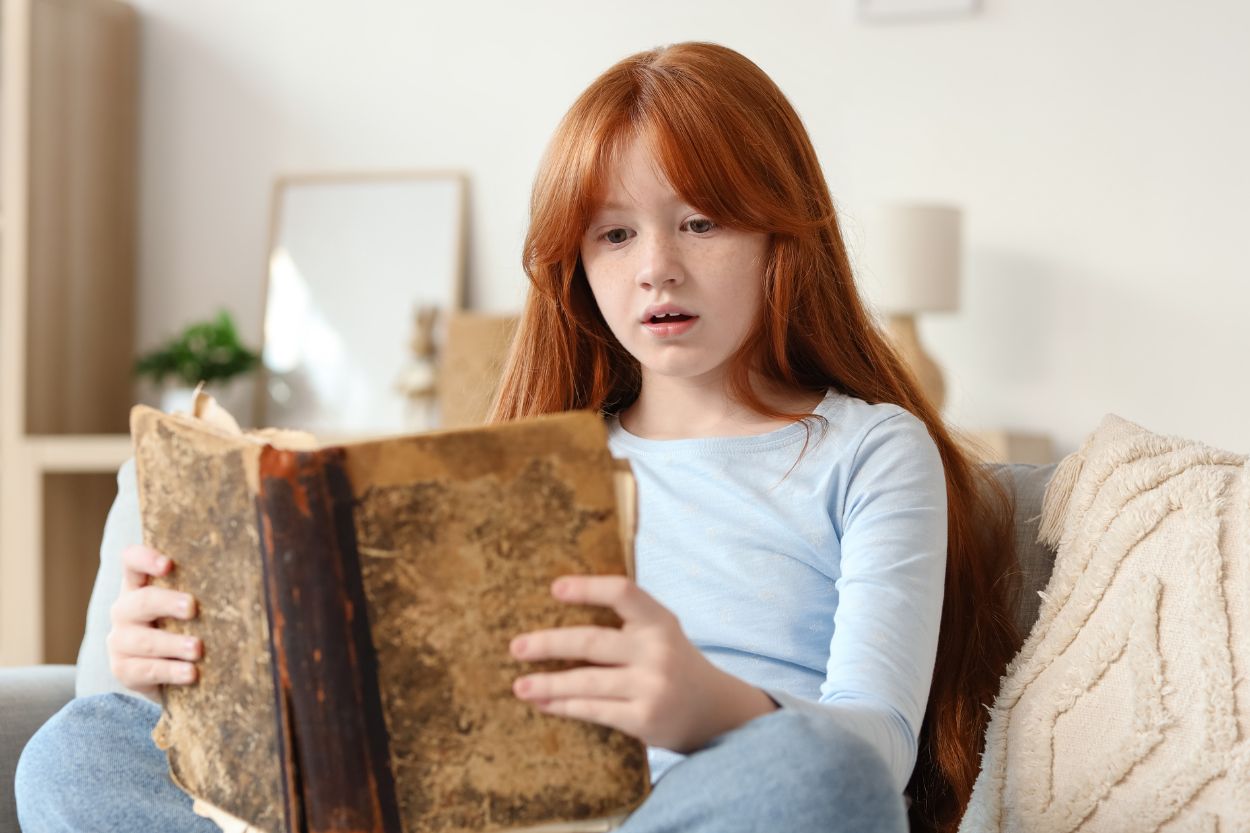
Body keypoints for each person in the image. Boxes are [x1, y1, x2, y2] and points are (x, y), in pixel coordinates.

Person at [15, 42, 1018, 833]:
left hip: (706, 808)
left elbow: (875, 748)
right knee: (75, 747)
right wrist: (187, 683)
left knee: (820, 771)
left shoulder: (867, 448)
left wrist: (704, 702)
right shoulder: (530, 456)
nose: (655, 268)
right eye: (614, 234)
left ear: (781, 234)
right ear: (575, 264)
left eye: (701, 221)